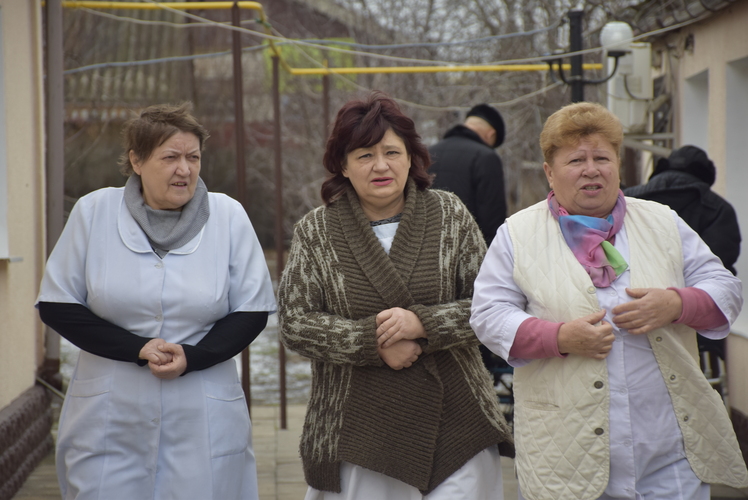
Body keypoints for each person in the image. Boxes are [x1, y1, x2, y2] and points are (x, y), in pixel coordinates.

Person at [470, 102, 748, 500]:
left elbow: (725, 288)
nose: (591, 169)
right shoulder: (517, 234)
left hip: (669, 448)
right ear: (549, 172)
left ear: (617, 164)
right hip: (566, 456)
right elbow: (489, 315)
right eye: (575, 160)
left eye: (602, 157)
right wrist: (559, 337)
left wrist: (676, 304)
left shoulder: (662, 221)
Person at [278, 92, 514, 500]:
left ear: (411, 157)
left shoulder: (450, 215)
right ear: (343, 166)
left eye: (391, 152)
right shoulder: (316, 231)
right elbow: (295, 323)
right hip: (358, 430)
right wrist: (372, 341)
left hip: (457, 421)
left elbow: (491, 306)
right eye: (365, 155)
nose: (381, 165)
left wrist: (424, 323)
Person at [36, 103, 276, 500]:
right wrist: (137, 347)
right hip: (111, 415)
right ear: (136, 160)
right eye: (170, 157)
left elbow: (251, 310)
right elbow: (58, 304)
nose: (185, 169)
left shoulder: (228, 216)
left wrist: (193, 356)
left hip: (201, 410)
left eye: (193, 157)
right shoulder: (93, 212)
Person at [624, 145, 741, 363]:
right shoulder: (718, 207)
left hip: (630, 313)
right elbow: (720, 265)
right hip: (697, 323)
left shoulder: (628, 200)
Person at [429, 103, 507, 245]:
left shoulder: (428, 153)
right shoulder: (486, 158)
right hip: (467, 250)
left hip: (427, 247)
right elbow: (492, 219)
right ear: (490, 134)